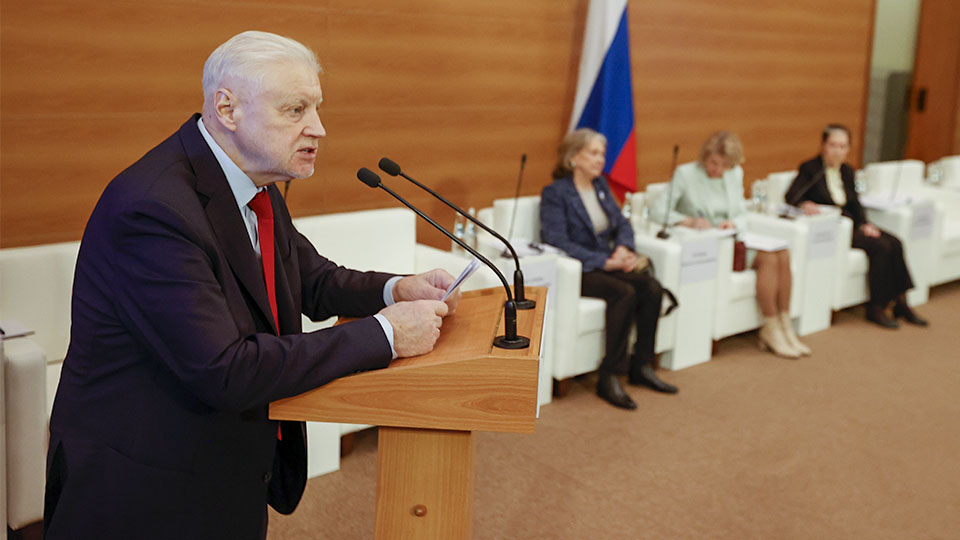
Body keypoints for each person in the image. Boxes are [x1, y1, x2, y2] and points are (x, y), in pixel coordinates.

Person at [44, 31, 460, 539]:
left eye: (317, 108)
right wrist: (386, 334)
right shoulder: (152, 209)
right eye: (296, 110)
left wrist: (396, 289)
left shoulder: (253, 183)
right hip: (143, 484)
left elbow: (311, 279)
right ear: (227, 109)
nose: (319, 128)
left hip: (225, 464)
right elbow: (225, 369)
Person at [540, 128, 677, 410]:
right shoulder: (556, 193)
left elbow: (622, 224)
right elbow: (557, 240)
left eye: (602, 154)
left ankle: (642, 366)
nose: (600, 159)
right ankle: (609, 375)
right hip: (580, 269)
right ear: (573, 157)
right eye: (593, 153)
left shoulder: (600, 186)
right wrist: (603, 261)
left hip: (608, 262)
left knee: (652, 288)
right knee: (624, 292)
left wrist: (624, 248)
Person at [649, 131, 810, 358]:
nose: (718, 170)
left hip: (733, 238)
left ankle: (785, 326)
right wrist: (690, 221)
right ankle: (770, 328)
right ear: (705, 156)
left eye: (724, 166)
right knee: (769, 259)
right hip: (709, 245)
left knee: (782, 253)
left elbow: (742, 213)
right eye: (714, 163)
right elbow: (658, 211)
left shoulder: (734, 174)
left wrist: (733, 223)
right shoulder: (686, 174)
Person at [785, 124, 927, 329]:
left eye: (843, 146)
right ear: (823, 146)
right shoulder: (811, 169)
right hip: (834, 228)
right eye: (833, 145)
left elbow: (855, 204)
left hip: (853, 223)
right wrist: (805, 203)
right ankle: (876, 307)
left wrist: (865, 224)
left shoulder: (847, 171)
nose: (837, 151)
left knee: (896, 242)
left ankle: (902, 303)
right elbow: (792, 196)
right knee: (881, 247)